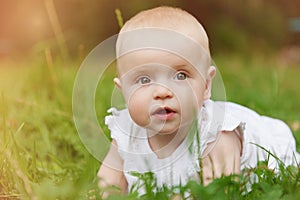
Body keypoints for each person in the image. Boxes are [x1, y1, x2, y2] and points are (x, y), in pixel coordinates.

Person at [97, 6, 300, 196]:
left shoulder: (215, 135)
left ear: (205, 86)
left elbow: (221, 191)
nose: (162, 91)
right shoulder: (126, 133)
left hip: (272, 149)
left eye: (181, 76)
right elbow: (105, 186)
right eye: (143, 80)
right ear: (123, 92)